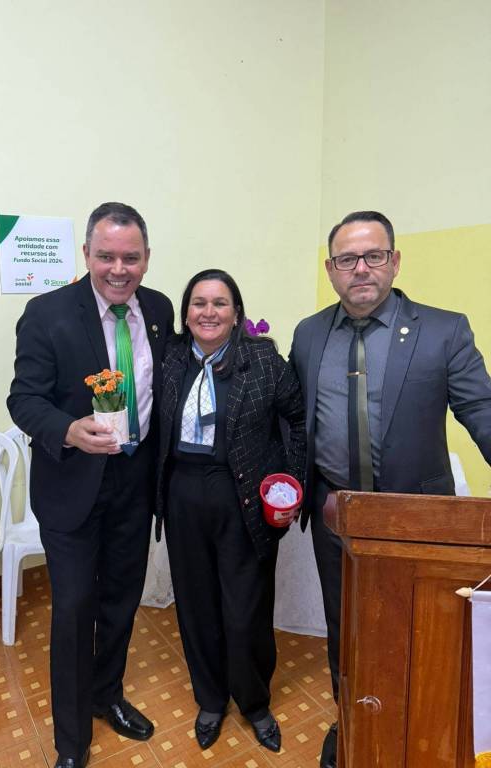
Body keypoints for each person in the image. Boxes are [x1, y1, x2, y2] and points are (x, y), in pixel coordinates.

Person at [289, 210, 491, 768]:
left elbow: (482, 410)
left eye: (373, 256)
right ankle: (351, 722)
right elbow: (294, 420)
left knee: (420, 633)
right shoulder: (309, 334)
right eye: (347, 259)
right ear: (330, 269)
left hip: (416, 519)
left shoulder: (444, 330)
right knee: (344, 626)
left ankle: (416, 732)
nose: (360, 269)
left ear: (395, 261)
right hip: (337, 514)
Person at [8, 202, 174, 768]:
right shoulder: (47, 313)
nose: (118, 270)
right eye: (106, 256)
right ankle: (72, 740)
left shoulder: (158, 309)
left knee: (122, 601)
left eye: (131, 258)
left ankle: (108, 696)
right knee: (76, 610)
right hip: (72, 486)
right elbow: (23, 399)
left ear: (146, 259)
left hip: (135, 480)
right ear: (86, 255)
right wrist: (68, 430)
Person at [156, 269, 306, 753]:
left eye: (220, 303)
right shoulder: (170, 359)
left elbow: (298, 420)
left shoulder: (262, 360)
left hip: (241, 496)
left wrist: (292, 483)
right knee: (196, 604)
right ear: (186, 313)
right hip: (182, 494)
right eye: (198, 303)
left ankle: (255, 702)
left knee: (245, 611)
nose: (209, 312)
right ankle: (210, 699)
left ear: (236, 313)